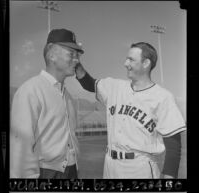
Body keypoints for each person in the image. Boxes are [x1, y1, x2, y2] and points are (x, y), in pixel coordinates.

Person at [75, 42, 186, 178]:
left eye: (131, 60)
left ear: (146, 63)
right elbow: (89, 83)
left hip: (140, 167)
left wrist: (169, 179)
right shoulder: (114, 87)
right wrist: (76, 62)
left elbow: (173, 145)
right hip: (110, 165)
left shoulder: (163, 97)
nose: (125, 63)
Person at [10, 28, 84, 178]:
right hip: (46, 173)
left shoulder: (68, 96)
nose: (77, 60)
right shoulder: (30, 91)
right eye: (71, 54)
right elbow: (20, 149)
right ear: (51, 54)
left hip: (71, 170)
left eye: (77, 55)